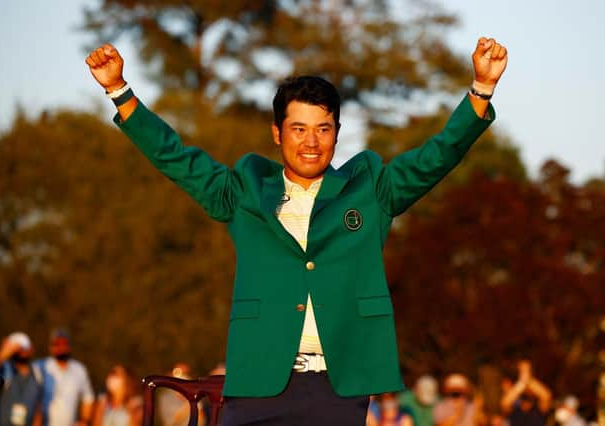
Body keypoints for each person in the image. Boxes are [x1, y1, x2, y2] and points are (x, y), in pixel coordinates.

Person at [85, 35, 507, 425]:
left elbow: (437, 156)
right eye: (299, 129)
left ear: (337, 134)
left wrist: (481, 89)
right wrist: (120, 91)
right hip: (258, 381)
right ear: (277, 133)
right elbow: (175, 158)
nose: (311, 142)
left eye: (323, 129)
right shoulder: (244, 191)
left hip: (337, 386)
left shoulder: (371, 189)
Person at [34, 329, 95, 426]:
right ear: (50, 347)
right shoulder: (39, 367)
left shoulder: (79, 369)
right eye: (57, 344)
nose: (61, 347)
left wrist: (84, 421)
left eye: (64, 343)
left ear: (69, 346)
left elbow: (88, 398)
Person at [0, 332, 43, 426]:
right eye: (18, 348)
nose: (22, 350)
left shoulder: (37, 373)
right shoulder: (4, 369)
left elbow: (38, 410)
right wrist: (3, 353)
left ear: (32, 349)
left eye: (24, 347)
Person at [500, 360, 552, 426]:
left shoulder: (538, 405)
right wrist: (521, 383)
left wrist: (529, 381)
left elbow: (547, 396)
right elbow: (504, 404)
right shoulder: (515, 405)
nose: (525, 375)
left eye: (528, 372)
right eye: (521, 372)